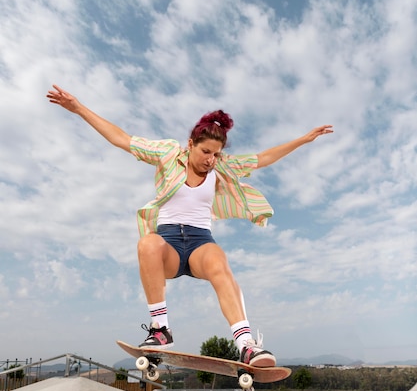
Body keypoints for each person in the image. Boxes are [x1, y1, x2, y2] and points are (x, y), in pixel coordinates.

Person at [47, 84, 333, 367]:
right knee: (147, 243)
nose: (211, 160)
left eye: (216, 154)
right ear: (190, 144)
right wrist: (79, 108)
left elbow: (262, 159)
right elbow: (122, 139)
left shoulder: (221, 167)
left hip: (200, 243)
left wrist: (303, 140)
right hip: (168, 244)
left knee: (220, 262)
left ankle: (246, 345)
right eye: (206, 152)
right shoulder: (168, 154)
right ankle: (160, 330)